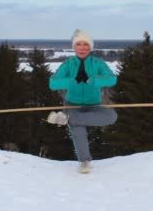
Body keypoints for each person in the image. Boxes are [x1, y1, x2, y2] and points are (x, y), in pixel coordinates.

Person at [47, 29, 118, 173]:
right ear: (74, 47)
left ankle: (68, 118)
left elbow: (112, 79)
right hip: (73, 104)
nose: (82, 47)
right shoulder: (68, 64)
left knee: (112, 116)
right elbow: (53, 83)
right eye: (78, 44)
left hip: (94, 105)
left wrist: (93, 81)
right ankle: (84, 162)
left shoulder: (97, 63)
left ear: (90, 47)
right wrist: (72, 81)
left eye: (85, 44)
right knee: (78, 129)